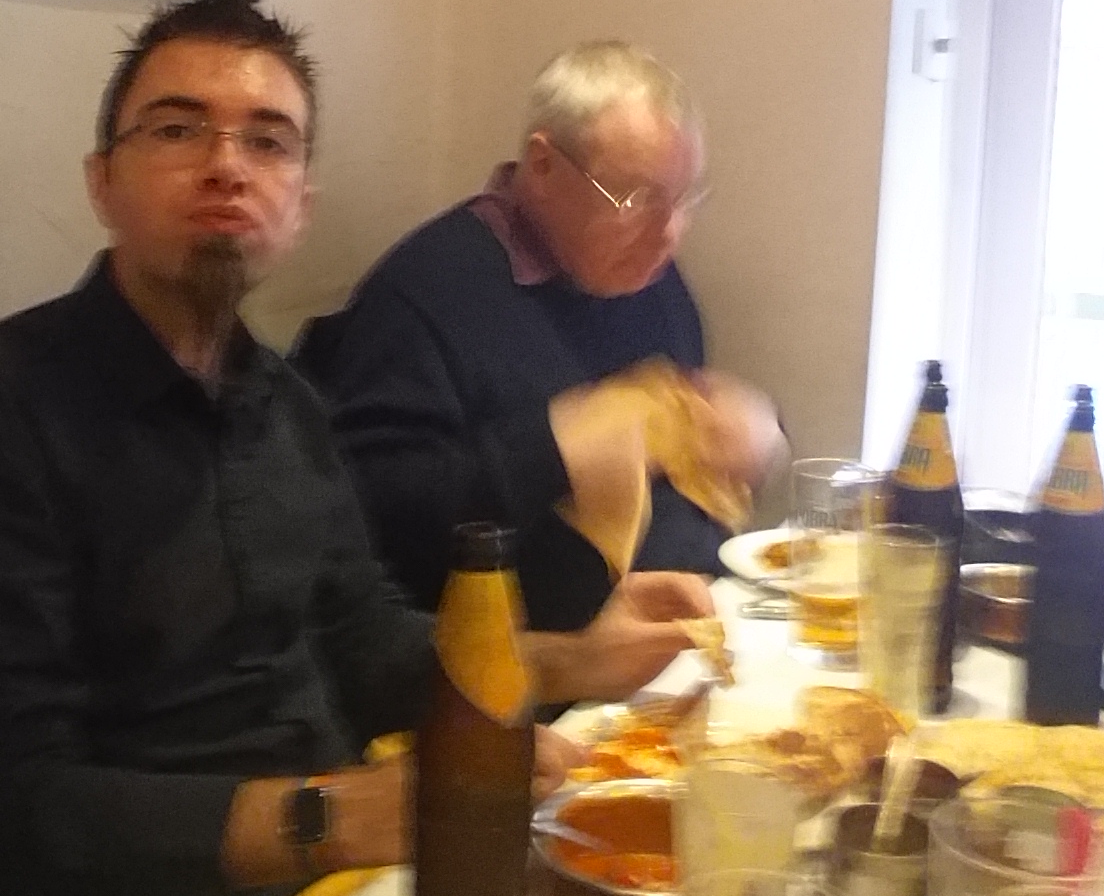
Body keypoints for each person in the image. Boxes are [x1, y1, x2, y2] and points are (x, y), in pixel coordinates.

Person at [0, 0, 714, 896]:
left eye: (268, 141)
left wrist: (576, 657)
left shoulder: (289, 406)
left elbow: (367, 639)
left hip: (341, 884)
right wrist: (336, 815)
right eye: (177, 129)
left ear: (301, 202)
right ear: (102, 181)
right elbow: (11, 801)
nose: (227, 165)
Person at [294, 40, 783, 632]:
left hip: (667, 625)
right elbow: (377, 523)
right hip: (518, 655)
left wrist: (740, 439)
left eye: (683, 199)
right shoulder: (422, 295)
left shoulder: (651, 279)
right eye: (636, 199)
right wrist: (554, 451)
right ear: (545, 166)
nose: (669, 233)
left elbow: (674, 480)